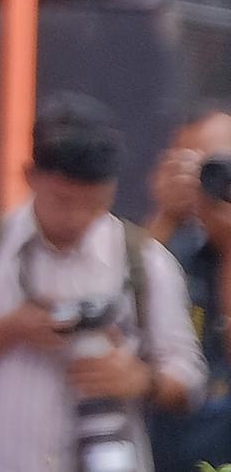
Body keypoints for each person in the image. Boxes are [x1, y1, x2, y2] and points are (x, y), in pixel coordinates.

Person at [0, 95, 204, 471]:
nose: (77, 218)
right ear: (30, 176)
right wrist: (8, 330)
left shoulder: (145, 261)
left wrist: (140, 380)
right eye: (63, 201)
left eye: (94, 204)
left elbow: (188, 378)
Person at [141, 107, 231, 469]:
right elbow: (117, 312)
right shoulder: (164, 249)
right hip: (167, 449)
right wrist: (165, 218)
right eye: (202, 169)